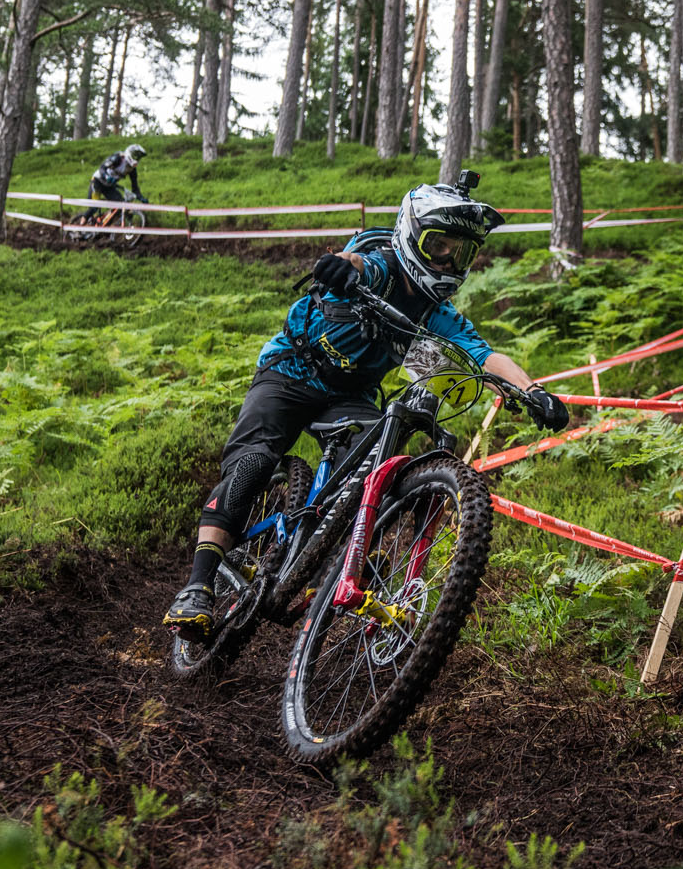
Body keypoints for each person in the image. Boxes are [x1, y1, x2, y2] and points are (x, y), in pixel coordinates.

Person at [162, 173, 569, 642]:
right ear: (412, 235)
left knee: (376, 463)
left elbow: (484, 355)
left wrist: (533, 391)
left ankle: (335, 559)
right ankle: (198, 585)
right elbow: (358, 262)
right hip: (291, 371)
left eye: (461, 253)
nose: (448, 260)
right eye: (439, 245)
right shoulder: (382, 265)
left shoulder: (435, 313)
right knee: (253, 463)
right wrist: (342, 269)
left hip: (350, 396)